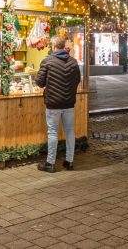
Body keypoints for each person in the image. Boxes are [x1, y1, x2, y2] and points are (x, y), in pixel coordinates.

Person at [35, 35, 82, 173]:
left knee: (53, 133)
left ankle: (50, 163)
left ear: (54, 46)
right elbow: (77, 80)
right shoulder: (73, 62)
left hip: (53, 104)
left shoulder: (48, 62)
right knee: (70, 131)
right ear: (64, 46)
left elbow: (39, 82)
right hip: (69, 104)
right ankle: (70, 161)